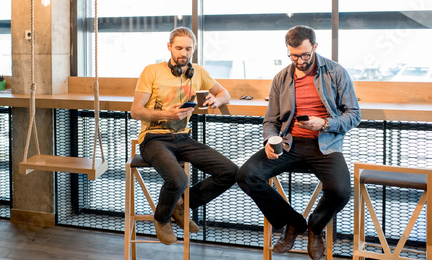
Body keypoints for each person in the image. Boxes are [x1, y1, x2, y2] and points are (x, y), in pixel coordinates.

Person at [236, 25, 360, 260]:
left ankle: (315, 227)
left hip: (324, 145)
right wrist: (269, 143)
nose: (300, 61)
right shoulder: (281, 78)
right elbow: (270, 120)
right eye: (294, 55)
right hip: (289, 144)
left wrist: (323, 123)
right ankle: (293, 223)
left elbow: (354, 115)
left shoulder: (336, 72)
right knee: (246, 176)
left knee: (341, 190)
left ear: (315, 47)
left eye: (305, 55)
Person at [130, 26, 238, 245]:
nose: (184, 53)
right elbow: (135, 111)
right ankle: (162, 219)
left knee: (230, 172)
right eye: (179, 48)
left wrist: (217, 100)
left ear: (194, 50)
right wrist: (165, 114)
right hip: (154, 138)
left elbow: (224, 93)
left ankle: (181, 206)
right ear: (169, 47)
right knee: (179, 179)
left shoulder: (197, 71)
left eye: (188, 49)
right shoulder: (151, 71)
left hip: (183, 138)